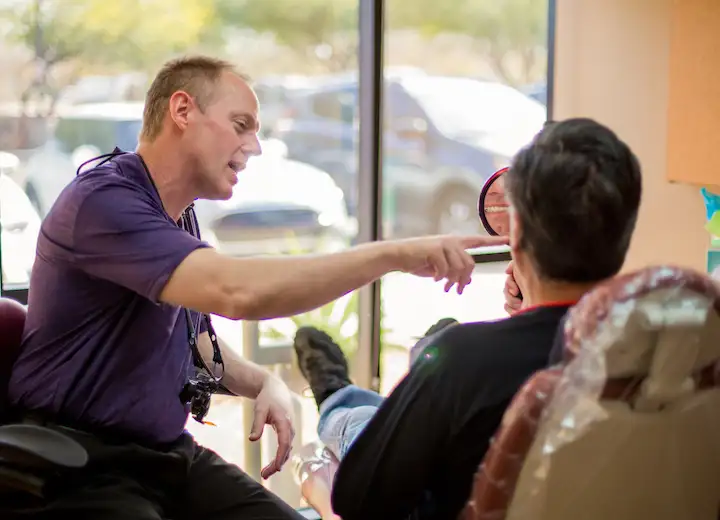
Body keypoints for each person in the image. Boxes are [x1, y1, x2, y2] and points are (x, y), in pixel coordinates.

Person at [5, 55, 506, 520]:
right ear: (182, 109)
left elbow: (193, 338)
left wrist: (263, 382)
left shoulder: (181, 214)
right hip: (75, 463)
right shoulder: (102, 202)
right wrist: (394, 254)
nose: (256, 146)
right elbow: (238, 294)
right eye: (241, 125)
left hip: (161, 456)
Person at [293, 117, 643, 520]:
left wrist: (316, 482)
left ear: (517, 231)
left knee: (370, 420)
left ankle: (336, 395)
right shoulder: (666, 353)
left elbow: (360, 501)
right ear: (625, 231)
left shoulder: (467, 360)